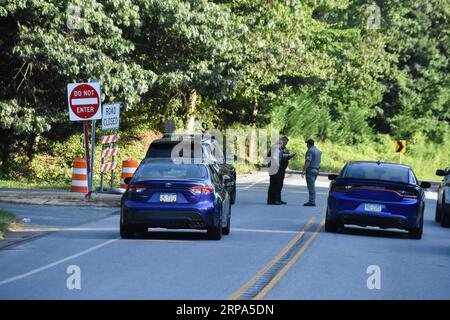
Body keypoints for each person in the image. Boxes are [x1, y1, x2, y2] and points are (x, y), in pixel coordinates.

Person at [267, 136, 295, 205]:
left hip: (281, 168)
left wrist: (290, 155)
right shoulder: (275, 148)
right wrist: (287, 155)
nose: (285, 143)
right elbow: (276, 156)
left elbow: (283, 155)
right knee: (274, 184)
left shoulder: (283, 148)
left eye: (286, 142)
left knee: (279, 184)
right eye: (285, 142)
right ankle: (272, 200)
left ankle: (278, 199)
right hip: (275, 168)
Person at [301, 138, 321, 207]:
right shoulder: (318, 151)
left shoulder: (310, 151)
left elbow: (308, 161)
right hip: (316, 169)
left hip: (310, 170)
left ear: (309, 144)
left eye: (307, 143)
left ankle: (312, 201)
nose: (306, 145)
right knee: (312, 185)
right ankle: (312, 200)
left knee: (311, 186)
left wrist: (303, 170)